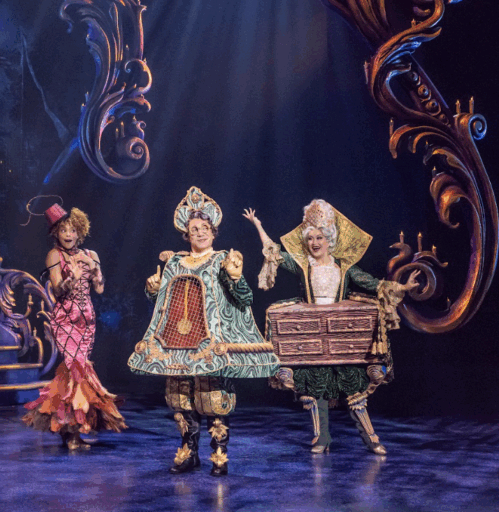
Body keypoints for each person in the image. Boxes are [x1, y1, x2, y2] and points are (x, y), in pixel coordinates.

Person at [243, 200, 419, 454]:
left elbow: (374, 284)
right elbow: (275, 253)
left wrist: (404, 287)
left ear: (329, 240)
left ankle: (371, 439)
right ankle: (321, 438)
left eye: (320, 237)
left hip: (340, 332)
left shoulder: (344, 268)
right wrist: (258, 226)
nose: (314, 243)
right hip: (313, 332)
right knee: (318, 390)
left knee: (355, 389)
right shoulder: (304, 266)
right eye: (310, 238)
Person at [129, 187, 278, 476]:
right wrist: (153, 289)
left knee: (214, 400)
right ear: (186, 234)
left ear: (213, 232)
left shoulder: (223, 259)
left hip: (209, 344)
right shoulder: (175, 262)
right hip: (175, 343)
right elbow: (163, 303)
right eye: (194, 229)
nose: (199, 233)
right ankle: (188, 452)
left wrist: (236, 278)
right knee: (180, 400)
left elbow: (245, 299)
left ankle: (219, 455)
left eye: (205, 228)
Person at [22, 204, 127, 449]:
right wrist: (73, 278)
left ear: (80, 232)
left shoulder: (91, 254)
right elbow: (58, 290)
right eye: (63, 230)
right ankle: (72, 433)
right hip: (65, 318)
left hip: (87, 319)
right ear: (56, 233)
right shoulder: (54, 256)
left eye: (72, 230)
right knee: (75, 370)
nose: (68, 235)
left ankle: (71, 430)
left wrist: (95, 270)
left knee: (79, 373)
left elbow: (99, 289)